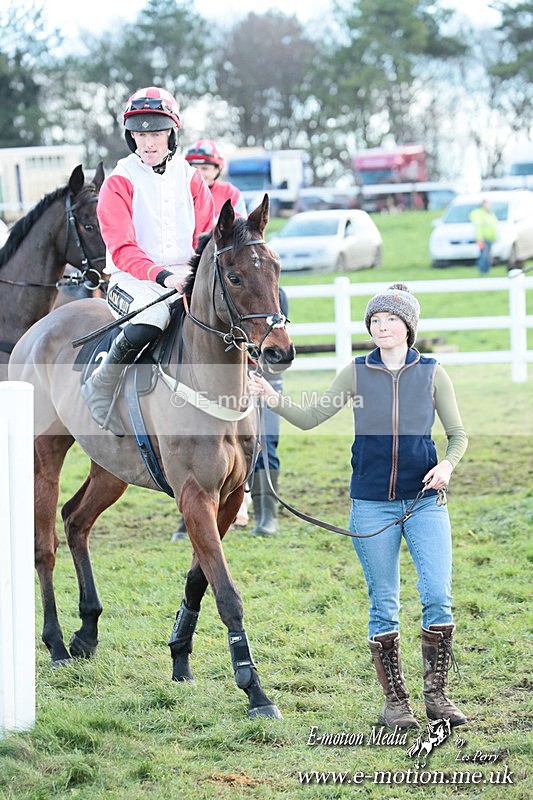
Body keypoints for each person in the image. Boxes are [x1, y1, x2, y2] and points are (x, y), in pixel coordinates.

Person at [249, 283, 468, 730]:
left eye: (390, 320)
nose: (381, 327)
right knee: (384, 603)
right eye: (374, 321)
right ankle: (395, 704)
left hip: (425, 502)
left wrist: (447, 465)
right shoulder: (356, 372)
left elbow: (458, 435)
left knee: (438, 597)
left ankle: (437, 696)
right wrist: (273, 399)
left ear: (408, 326)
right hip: (371, 504)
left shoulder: (431, 372)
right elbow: (313, 418)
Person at [81, 87, 215, 436]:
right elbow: (122, 247)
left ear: (171, 134)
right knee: (155, 317)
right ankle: (101, 384)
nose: (148, 143)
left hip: (184, 278)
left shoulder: (191, 178)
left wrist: (196, 276)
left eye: (155, 133)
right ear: (131, 137)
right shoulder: (119, 181)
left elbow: (207, 236)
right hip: (131, 281)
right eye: (141, 135)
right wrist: (164, 275)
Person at [249, 286, 289, 536]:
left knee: (265, 442)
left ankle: (266, 515)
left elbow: (278, 346)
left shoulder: (277, 294)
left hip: (266, 378)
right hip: (227, 377)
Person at [185, 139, 248, 218]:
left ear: (218, 169)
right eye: (194, 168)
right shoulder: (180, 192)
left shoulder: (231, 194)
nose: (199, 174)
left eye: (205, 168)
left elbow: (241, 227)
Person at [469, 198, 497, 274]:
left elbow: (493, 227)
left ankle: (487, 271)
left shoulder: (490, 214)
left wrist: (494, 237)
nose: (489, 206)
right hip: (482, 239)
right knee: (483, 256)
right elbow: (478, 228)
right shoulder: (479, 214)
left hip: (489, 238)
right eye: (487, 204)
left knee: (488, 255)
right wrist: (480, 239)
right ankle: (482, 271)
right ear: (483, 205)